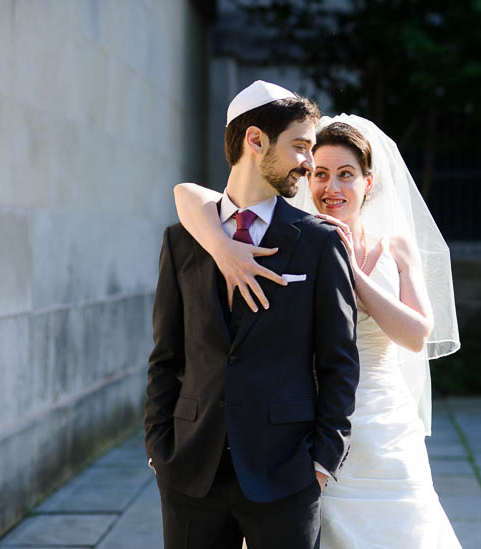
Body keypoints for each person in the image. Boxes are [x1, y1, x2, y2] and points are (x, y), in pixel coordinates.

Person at [173, 112, 463, 548]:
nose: (332, 188)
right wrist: (220, 245)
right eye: (321, 174)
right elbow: (187, 195)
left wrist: (352, 274)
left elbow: (417, 334)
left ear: (368, 182)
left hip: (384, 423)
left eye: (346, 175)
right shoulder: (297, 240)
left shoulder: (395, 247)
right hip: (310, 423)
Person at [144, 80, 361, 549]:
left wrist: (323, 461)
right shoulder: (182, 241)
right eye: (301, 146)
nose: (309, 163)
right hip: (189, 473)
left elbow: (339, 362)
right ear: (256, 140)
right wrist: (158, 448)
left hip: (285, 475)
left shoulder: (319, 243)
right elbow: (166, 355)